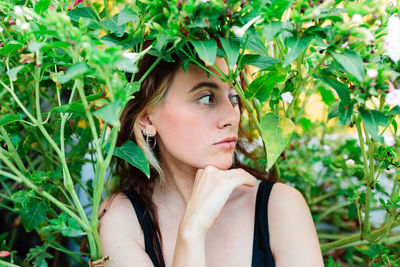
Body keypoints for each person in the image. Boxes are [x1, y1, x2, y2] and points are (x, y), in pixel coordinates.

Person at [98, 41, 324, 267]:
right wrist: (193, 231)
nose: (232, 117)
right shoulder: (120, 218)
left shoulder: (280, 207)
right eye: (206, 98)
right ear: (147, 118)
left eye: (234, 97)